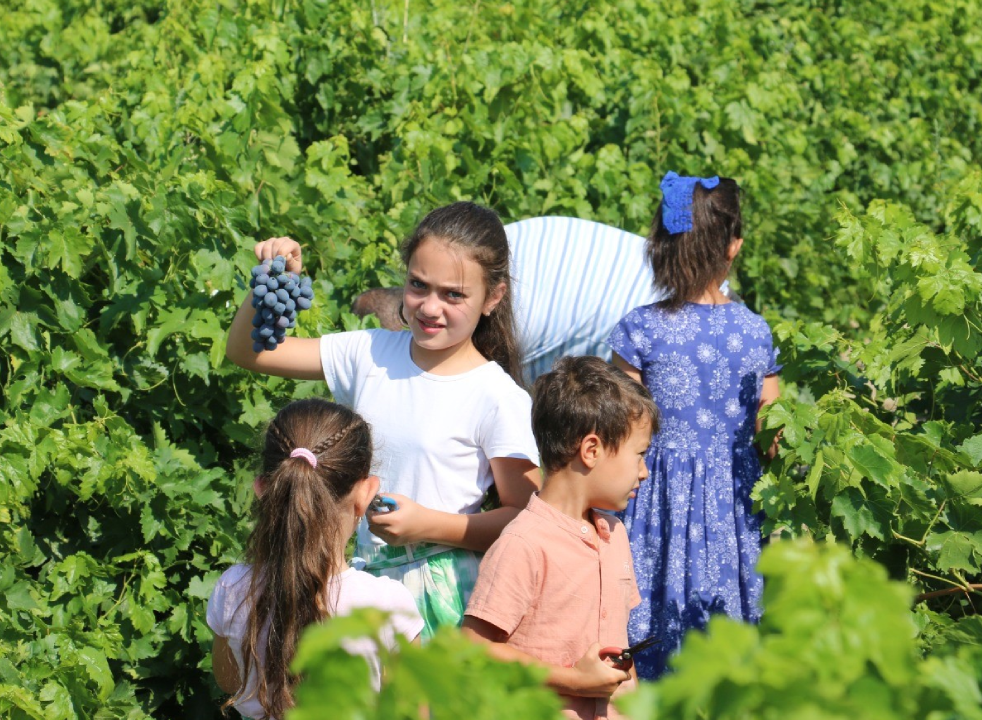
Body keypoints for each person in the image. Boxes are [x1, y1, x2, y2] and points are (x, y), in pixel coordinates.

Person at [225, 201, 542, 637]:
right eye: (418, 285)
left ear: (493, 298)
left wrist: (430, 525)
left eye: (453, 294)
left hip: (440, 596)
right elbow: (248, 352)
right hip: (352, 585)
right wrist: (273, 279)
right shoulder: (370, 352)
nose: (430, 308)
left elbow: (529, 518)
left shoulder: (497, 396)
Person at [609, 172, 781, 679]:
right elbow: (773, 436)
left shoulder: (639, 328)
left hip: (652, 504)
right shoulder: (755, 331)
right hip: (736, 508)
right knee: (731, 648)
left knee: (645, 638)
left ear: (659, 247)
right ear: (734, 247)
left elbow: (618, 430)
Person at [462, 356, 659, 720]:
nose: (644, 472)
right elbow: (474, 649)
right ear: (592, 450)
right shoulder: (524, 543)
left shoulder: (615, 535)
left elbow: (621, 649)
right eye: (640, 455)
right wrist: (575, 682)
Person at [207, 399, 423, 720]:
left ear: (263, 489)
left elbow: (228, 680)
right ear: (366, 493)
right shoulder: (388, 607)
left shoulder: (233, 589)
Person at [353, 216, 732, 384]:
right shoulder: (704, 313)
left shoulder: (510, 311)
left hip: (544, 264)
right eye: (418, 287)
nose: (429, 308)